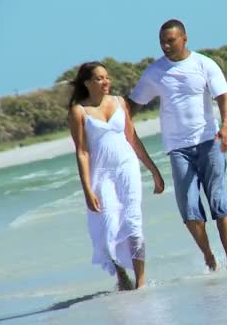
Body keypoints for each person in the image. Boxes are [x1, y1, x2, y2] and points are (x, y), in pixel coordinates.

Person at [126, 19, 227, 271]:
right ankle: (209, 257)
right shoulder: (155, 73)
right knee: (189, 210)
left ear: (184, 39)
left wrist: (226, 127)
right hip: (178, 149)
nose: (165, 46)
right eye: (162, 41)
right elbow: (129, 109)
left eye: (170, 40)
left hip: (209, 141)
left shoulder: (204, 64)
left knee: (219, 202)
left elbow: (224, 97)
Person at [68, 61, 165, 290]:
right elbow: (82, 152)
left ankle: (141, 283)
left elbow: (132, 138)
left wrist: (154, 170)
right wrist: (87, 189)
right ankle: (121, 273)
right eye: (100, 78)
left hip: (127, 168)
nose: (106, 82)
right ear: (87, 83)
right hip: (101, 174)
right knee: (109, 225)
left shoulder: (120, 102)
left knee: (133, 222)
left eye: (107, 77)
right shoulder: (78, 111)